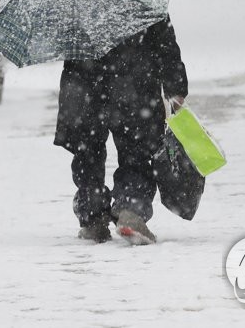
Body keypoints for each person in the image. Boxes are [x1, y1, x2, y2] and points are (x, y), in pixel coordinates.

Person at [54, 17, 188, 245]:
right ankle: (131, 209)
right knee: (136, 154)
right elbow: (165, 43)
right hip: (135, 86)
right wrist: (175, 87)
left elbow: (64, 43)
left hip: (85, 88)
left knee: (87, 154)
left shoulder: (75, 1)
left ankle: (93, 214)